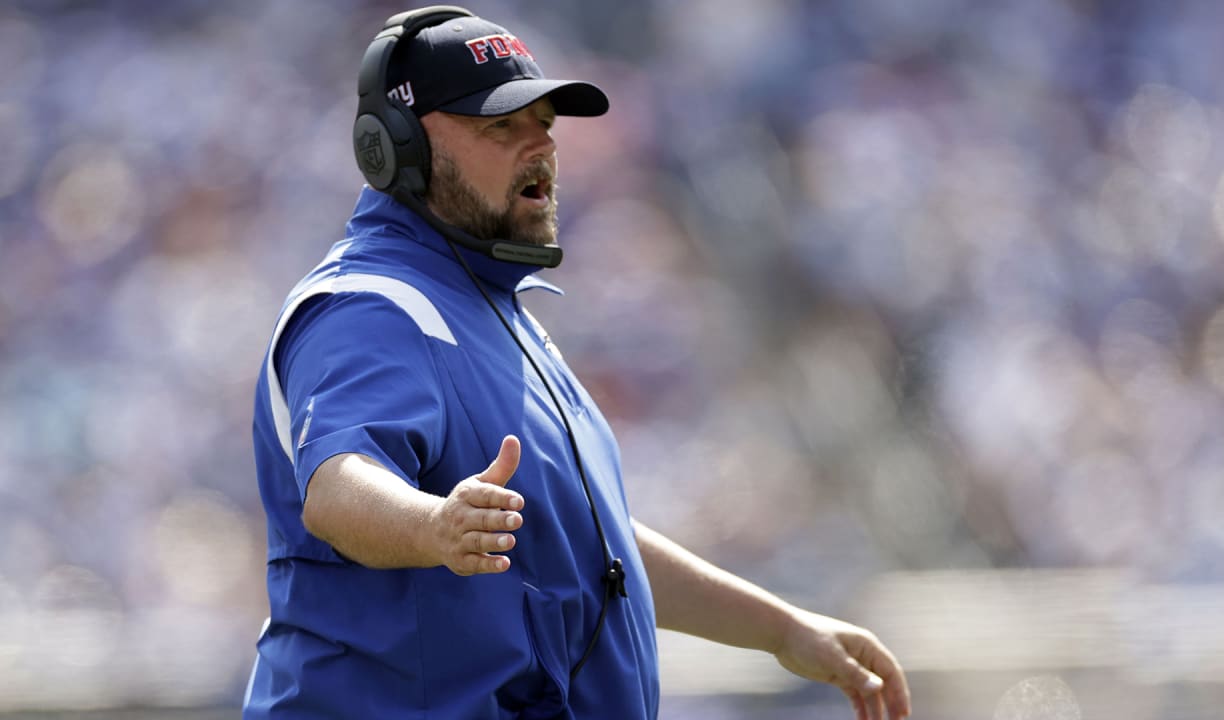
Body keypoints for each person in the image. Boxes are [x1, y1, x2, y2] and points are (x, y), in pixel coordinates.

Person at [244, 6, 911, 719]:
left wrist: (782, 630)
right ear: (397, 148)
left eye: (544, 124)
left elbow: (595, 548)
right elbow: (339, 487)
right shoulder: (373, 306)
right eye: (500, 125)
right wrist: (434, 525)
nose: (540, 147)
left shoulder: (493, 314)